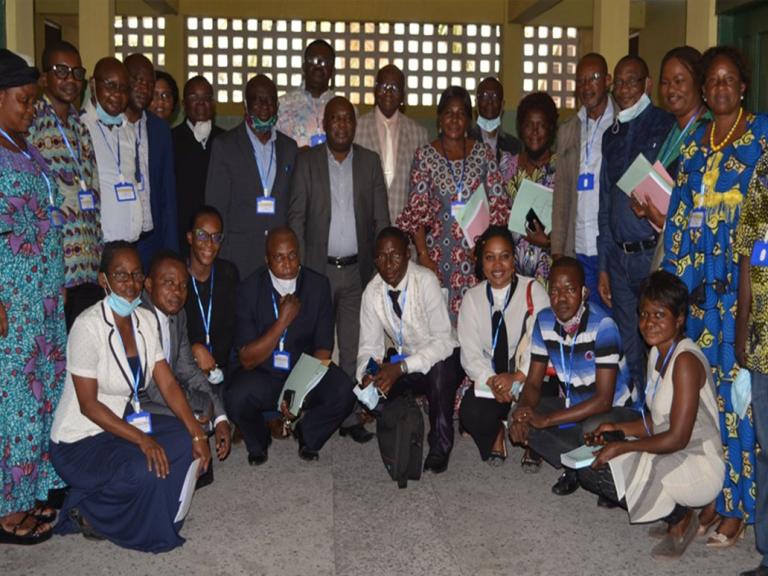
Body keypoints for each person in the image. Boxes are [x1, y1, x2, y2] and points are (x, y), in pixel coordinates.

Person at [663, 45, 768, 548]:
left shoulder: (763, 137)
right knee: (710, 405)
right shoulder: (694, 148)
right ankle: (718, 492)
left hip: (747, 300)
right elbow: (679, 225)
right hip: (700, 300)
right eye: (714, 82)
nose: (722, 88)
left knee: (743, 407)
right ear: (704, 92)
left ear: (742, 86)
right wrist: (673, 294)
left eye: (731, 80)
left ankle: (740, 507)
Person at [50, 242, 211, 552]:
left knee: (180, 440)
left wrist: (196, 434)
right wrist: (142, 438)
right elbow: (88, 405)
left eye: (136, 274)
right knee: (144, 467)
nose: (131, 283)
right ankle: (86, 509)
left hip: (120, 424)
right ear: (103, 280)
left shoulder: (144, 320)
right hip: (79, 440)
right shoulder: (87, 327)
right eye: (121, 275)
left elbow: (167, 384)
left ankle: (156, 513)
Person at [578, 271, 724, 559]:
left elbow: (678, 437)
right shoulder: (658, 352)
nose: (648, 323)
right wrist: (617, 429)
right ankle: (673, 511)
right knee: (593, 457)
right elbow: (655, 421)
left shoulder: (684, 361)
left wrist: (623, 445)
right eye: (644, 314)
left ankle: (681, 517)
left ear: (679, 318)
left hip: (699, 463)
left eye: (659, 315)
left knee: (607, 470)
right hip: (674, 449)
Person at [0, 49, 66, 545]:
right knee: (18, 402)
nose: (30, 109)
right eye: (23, 100)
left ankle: (37, 487)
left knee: (45, 390)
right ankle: (9, 510)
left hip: (43, 298)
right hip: (13, 302)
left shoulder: (22, 147)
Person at [509, 257, 638, 498]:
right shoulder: (544, 320)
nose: (561, 298)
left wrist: (547, 420)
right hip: (575, 404)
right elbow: (534, 381)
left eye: (570, 289)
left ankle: (603, 472)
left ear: (584, 292)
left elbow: (604, 400)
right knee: (517, 412)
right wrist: (524, 410)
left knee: (592, 427)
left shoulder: (603, 325)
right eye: (555, 290)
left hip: (618, 410)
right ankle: (577, 466)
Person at [226, 227, 357, 464]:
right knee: (235, 396)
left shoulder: (318, 286)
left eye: (292, 255)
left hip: (302, 371)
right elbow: (246, 359)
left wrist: (298, 391)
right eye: (279, 257)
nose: (287, 263)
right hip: (262, 373)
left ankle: (308, 434)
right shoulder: (248, 289)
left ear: (300, 255)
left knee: (344, 389)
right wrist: (282, 321)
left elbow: (323, 349)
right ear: (267, 260)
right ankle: (258, 438)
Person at [288, 96, 390, 380]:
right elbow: (296, 217)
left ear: (355, 124)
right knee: (315, 346)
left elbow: (381, 220)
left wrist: (381, 270)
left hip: (358, 273)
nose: (342, 124)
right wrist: (301, 269)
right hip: (318, 271)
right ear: (325, 123)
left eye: (348, 118)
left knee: (353, 347)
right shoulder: (307, 161)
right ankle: (308, 409)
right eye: (335, 118)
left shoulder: (370, 162)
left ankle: (348, 413)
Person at [397, 86, 510, 322]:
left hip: (477, 259)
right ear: (439, 118)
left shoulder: (483, 154)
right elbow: (415, 213)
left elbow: (499, 205)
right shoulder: (425, 156)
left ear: (469, 119)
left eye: (461, 113)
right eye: (449, 113)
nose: (455, 119)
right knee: (439, 328)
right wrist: (423, 256)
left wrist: (485, 248)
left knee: (476, 326)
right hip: (438, 259)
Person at [356, 227, 463, 473]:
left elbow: (443, 341)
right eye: (381, 257)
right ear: (375, 260)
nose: (388, 263)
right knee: (372, 396)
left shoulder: (425, 281)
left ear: (408, 255)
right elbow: (369, 348)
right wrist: (366, 373)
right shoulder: (371, 293)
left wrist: (401, 368)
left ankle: (440, 446)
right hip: (403, 362)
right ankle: (405, 427)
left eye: (395, 255)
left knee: (438, 375)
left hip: (443, 356)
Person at [597, 55, 674, 394]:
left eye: (633, 81)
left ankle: (663, 408)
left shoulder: (667, 124)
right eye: (620, 82)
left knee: (658, 336)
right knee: (630, 336)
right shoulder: (610, 135)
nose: (625, 88)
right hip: (619, 257)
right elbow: (604, 203)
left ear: (647, 85)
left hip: (650, 252)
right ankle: (640, 402)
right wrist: (603, 265)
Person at [458, 227, 549, 464]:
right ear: (481, 261)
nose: (497, 265)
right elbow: (470, 354)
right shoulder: (473, 298)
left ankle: (534, 443)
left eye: (504, 256)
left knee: (546, 401)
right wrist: (493, 380)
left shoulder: (534, 290)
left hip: (527, 379)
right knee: (470, 412)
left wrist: (517, 376)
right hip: (494, 382)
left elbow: (542, 342)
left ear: (514, 259)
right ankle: (496, 431)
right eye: (490, 257)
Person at [28, 40, 103, 329]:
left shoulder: (80, 127)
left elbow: (94, 197)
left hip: (86, 267)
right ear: (44, 78)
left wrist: (99, 257)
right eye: (61, 71)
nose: (71, 79)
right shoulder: (30, 122)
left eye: (76, 72)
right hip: (54, 269)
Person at [140, 250, 231, 465]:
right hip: (135, 404)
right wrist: (199, 407)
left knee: (209, 412)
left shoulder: (178, 315)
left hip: (164, 393)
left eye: (183, 285)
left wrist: (220, 416)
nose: (177, 292)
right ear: (149, 284)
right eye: (169, 282)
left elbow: (189, 371)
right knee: (196, 423)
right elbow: (155, 389)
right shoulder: (140, 318)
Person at [206, 74, 298, 279]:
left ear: (277, 105)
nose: (264, 106)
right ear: (245, 105)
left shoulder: (289, 148)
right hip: (237, 257)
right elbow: (216, 205)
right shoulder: (225, 146)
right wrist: (222, 254)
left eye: (270, 100)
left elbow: (294, 205)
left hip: (280, 258)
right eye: (257, 99)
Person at [632, 46, 709, 270]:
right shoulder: (672, 129)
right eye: (665, 83)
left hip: (695, 254)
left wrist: (664, 220)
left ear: (698, 83)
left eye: (679, 81)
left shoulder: (708, 134)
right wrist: (647, 207)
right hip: (668, 242)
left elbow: (707, 211)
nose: (670, 89)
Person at [551, 53, 615, 309]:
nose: (587, 86)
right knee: (580, 319)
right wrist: (557, 250)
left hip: (608, 247)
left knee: (610, 319)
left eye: (594, 78)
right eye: (581, 81)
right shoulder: (569, 128)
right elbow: (562, 193)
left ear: (608, 81)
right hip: (575, 245)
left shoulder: (621, 122)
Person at [735, 150, 768, 576]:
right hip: (763, 336)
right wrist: (742, 320)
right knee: (766, 450)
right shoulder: (766, 165)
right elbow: (747, 246)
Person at [81, 57, 148, 244]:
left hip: (130, 243)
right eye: (110, 85)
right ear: (93, 85)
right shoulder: (81, 128)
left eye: (124, 88)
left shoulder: (128, 129)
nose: (117, 94)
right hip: (97, 244)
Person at [354, 64, 429, 223]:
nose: (388, 92)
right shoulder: (356, 129)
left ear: (403, 96)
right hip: (366, 229)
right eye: (383, 86)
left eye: (394, 87)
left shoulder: (419, 134)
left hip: (404, 233)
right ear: (375, 90)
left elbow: (423, 191)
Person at [124, 53, 178, 268]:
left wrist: (171, 252)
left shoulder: (160, 128)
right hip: (119, 240)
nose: (143, 87)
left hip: (152, 238)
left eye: (148, 82)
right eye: (136, 80)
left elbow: (167, 195)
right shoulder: (108, 127)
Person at [502, 91, 557, 284]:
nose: (534, 132)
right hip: (509, 272)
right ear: (520, 128)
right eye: (528, 125)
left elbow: (572, 224)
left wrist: (549, 242)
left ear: (551, 128)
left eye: (541, 125)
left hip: (549, 273)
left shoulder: (563, 169)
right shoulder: (506, 165)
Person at [184, 205, 239, 394]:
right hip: (186, 368)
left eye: (216, 237)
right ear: (190, 237)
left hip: (223, 369)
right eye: (202, 235)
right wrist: (194, 348)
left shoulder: (228, 273)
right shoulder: (177, 277)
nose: (209, 243)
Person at [173, 76, 223, 252]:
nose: (201, 103)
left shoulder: (226, 141)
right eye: (194, 97)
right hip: (181, 234)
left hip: (216, 236)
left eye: (207, 98)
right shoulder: (171, 140)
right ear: (183, 103)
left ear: (214, 104)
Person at [276, 39, 336, 149]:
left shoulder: (344, 110)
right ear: (304, 67)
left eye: (324, 62)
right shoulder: (281, 106)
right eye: (312, 60)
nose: (318, 66)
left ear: (332, 71)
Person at [467, 76, 521, 160]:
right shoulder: (466, 140)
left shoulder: (514, 145)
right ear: (476, 102)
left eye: (495, 96)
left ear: (502, 104)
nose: (490, 101)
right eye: (485, 96)